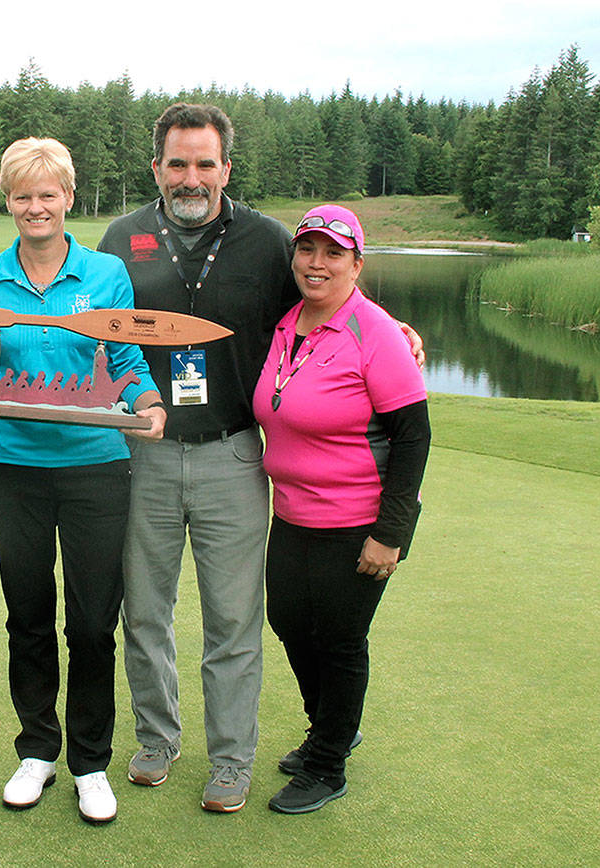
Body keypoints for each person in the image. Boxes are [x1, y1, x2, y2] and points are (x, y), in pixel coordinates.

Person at [97, 104, 424, 813]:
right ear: (156, 168)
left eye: (205, 163)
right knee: (146, 614)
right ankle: (156, 739)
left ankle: (231, 759)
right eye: (177, 163)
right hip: (142, 456)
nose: (191, 176)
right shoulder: (121, 238)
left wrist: (391, 327)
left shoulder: (269, 241)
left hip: (234, 456)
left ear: (226, 170)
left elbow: (326, 294)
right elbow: (98, 336)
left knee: (233, 621)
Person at [0, 137, 166, 825]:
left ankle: (90, 762)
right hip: (10, 471)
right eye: (21, 195)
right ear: (7, 201)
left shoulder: (105, 273)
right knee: (28, 617)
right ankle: (37, 749)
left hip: (96, 468)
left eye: (47, 194)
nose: (35, 207)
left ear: (68, 197)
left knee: (94, 624)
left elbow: (125, 357)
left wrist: (149, 401)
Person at [253, 204, 430, 813]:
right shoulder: (286, 323)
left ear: (357, 262)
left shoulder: (375, 332)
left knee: (340, 641)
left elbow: (413, 436)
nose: (318, 263)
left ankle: (327, 764)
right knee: (289, 625)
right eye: (308, 250)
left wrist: (391, 533)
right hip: (294, 514)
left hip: (359, 520)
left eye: (334, 253)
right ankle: (332, 726)